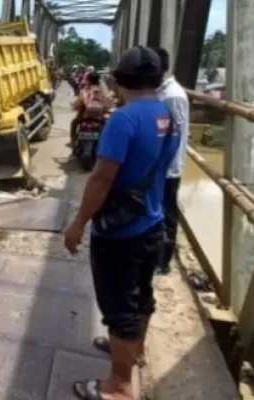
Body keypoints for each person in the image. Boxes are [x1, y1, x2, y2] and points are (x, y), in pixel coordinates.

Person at [63, 45, 180, 400]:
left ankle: (119, 386)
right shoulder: (166, 115)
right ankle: (136, 352)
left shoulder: (123, 120)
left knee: (119, 308)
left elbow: (101, 179)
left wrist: (79, 223)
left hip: (121, 233)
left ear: (121, 80)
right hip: (153, 223)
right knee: (142, 296)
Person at [153, 47, 190, 275]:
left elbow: (174, 134)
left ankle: (163, 262)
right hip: (160, 165)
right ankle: (157, 255)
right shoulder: (162, 91)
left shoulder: (173, 95)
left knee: (166, 213)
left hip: (168, 167)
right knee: (159, 211)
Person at [69, 72, 110, 147]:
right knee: (108, 128)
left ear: (89, 80)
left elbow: (79, 102)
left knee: (74, 123)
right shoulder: (103, 91)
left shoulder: (85, 90)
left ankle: (72, 141)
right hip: (99, 117)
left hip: (86, 116)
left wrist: (74, 106)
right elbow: (107, 103)